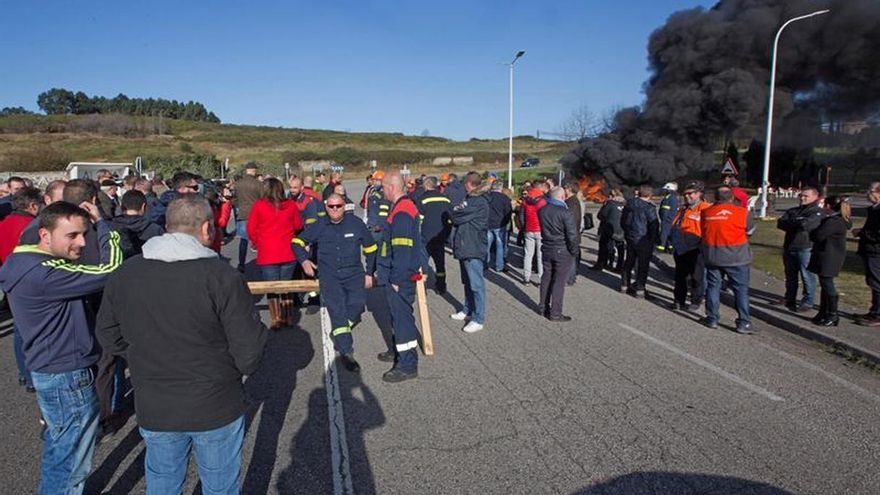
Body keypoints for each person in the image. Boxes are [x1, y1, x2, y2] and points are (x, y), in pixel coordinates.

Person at [96, 195, 267, 495]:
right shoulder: (222, 276)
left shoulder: (126, 273)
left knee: (163, 481)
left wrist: (143, 357)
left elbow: (109, 335)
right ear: (206, 229)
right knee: (220, 486)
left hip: (155, 401)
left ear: (167, 226)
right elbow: (249, 350)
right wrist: (226, 370)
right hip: (214, 401)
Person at [0, 201, 122, 494]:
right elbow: (111, 269)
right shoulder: (45, 274)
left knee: (60, 448)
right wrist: (104, 225)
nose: (81, 242)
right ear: (44, 235)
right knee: (72, 458)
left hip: (51, 368)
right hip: (67, 372)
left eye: (85, 233)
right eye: (73, 235)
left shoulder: (20, 260)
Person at [292, 193, 377, 372]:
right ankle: (347, 352)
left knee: (357, 306)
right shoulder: (319, 226)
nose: (335, 209)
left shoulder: (356, 224)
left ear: (344, 206)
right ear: (326, 207)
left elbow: (371, 248)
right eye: (331, 206)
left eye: (338, 206)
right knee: (337, 311)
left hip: (354, 274)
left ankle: (340, 330)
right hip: (330, 277)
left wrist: (369, 273)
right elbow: (297, 242)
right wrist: (304, 261)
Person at [375, 172, 423, 383]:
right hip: (396, 274)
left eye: (383, 187)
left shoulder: (402, 211)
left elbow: (402, 250)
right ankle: (398, 352)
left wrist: (396, 279)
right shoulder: (402, 208)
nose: (382, 191)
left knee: (403, 320)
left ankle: (407, 365)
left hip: (399, 278)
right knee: (398, 317)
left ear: (392, 187)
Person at [0, 187, 42, 392]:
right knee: (35, 333)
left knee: (19, 330)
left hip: (10, 281)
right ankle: (34, 376)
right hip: (33, 282)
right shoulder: (32, 226)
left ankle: (24, 374)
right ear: (33, 205)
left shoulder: (3, 225)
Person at [247, 177, 304, 329]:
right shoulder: (291, 205)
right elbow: (298, 225)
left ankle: (276, 318)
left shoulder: (259, 206)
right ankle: (289, 317)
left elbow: (251, 228)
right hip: (288, 251)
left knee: (272, 288)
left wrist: (258, 243)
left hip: (267, 253)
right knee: (286, 286)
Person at [701, 185, 755, 333]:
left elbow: (703, 231)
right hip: (737, 257)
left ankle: (712, 318)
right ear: (732, 198)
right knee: (741, 290)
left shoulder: (706, 212)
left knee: (713, 287)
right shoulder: (743, 213)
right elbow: (750, 231)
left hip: (713, 256)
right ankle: (743, 322)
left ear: (715, 198)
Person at [450, 172, 489, 333]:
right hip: (465, 246)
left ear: (469, 184)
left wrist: (457, 211)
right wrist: (457, 211)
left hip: (473, 247)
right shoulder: (470, 199)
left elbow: (457, 216)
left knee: (476, 284)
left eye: (465, 183)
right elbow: (456, 213)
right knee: (467, 282)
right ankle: (468, 309)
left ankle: (478, 318)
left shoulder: (478, 202)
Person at [777, 186, 824, 312]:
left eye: (806, 196)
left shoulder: (816, 212)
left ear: (815, 197)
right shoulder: (793, 211)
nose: (802, 198)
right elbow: (781, 223)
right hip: (789, 246)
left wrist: (794, 222)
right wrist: (796, 222)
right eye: (801, 195)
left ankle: (808, 301)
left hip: (805, 247)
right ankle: (789, 298)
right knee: (790, 275)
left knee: (807, 275)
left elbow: (806, 225)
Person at [808, 196, 851, 327]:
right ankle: (823, 312)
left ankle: (832, 314)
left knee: (828, 285)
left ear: (828, 206)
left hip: (829, 257)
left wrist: (815, 227)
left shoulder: (833, 221)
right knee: (824, 285)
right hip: (827, 255)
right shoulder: (835, 220)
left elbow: (818, 235)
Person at [538, 187, 579, 321]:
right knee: (559, 281)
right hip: (561, 249)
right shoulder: (565, 212)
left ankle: (543, 307)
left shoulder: (542, 210)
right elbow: (572, 235)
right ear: (561, 197)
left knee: (546, 277)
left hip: (547, 247)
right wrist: (574, 251)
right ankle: (555, 313)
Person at [670, 181, 711, 311]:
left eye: (690, 194)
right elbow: (674, 224)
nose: (687, 196)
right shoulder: (683, 209)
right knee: (680, 276)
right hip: (681, 247)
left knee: (697, 276)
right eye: (685, 194)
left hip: (697, 248)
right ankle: (678, 300)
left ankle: (696, 300)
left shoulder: (706, 208)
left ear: (699, 194)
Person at [621, 185, 659, 298]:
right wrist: (654, 239)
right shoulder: (649, 208)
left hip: (630, 237)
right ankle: (640, 290)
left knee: (629, 262)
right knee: (642, 265)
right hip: (644, 239)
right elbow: (654, 225)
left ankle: (624, 285)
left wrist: (627, 233)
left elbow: (623, 221)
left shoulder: (629, 204)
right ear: (650, 195)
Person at [417, 176, 452, 295]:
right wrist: (446, 234)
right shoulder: (446, 199)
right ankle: (441, 287)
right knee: (440, 265)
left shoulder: (422, 199)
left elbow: (419, 221)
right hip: (440, 237)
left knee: (423, 263)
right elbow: (450, 219)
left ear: (426, 185)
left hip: (425, 238)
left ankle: (422, 288)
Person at [107, 190, 165, 259]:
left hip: (122, 267)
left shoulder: (110, 228)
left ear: (122, 207)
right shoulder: (155, 229)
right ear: (143, 207)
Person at [856, 182, 880, 326]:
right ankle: (874, 310)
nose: (867, 194)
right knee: (871, 281)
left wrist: (862, 233)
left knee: (877, 282)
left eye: (870, 191)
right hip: (869, 250)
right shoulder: (873, 209)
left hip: (876, 251)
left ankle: (878, 314)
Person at [233, 163, 262, 272]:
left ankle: (241, 263)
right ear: (253, 170)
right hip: (256, 214)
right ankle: (261, 261)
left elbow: (234, 199)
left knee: (243, 240)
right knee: (259, 240)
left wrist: (238, 205)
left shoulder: (238, 184)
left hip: (243, 214)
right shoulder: (258, 184)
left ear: (246, 171)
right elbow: (263, 199)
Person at [592, 189, 626, 271]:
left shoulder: (610, 203)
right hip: (621, 229)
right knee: (620, 248)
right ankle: (619, 266)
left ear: (612, 195)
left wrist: (604, 206)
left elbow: (601, 215)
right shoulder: (625, 204)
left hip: (609, 228)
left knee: (604, 246)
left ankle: (602, 264)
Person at [519, 186, 547, 285]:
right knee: (540, 255)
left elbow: (521, 215)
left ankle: (526, 278)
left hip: (528, 230)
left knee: (528, 254)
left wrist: (523, 227)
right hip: (540, 230)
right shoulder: (542, 203)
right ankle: (541, 279)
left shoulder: (525, 202)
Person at [486, 180, 513, 273]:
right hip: (500, 225)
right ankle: (499, 266)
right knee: (500, 246)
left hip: (487, 225)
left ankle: (485, 264)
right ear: (500, 188)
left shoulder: (486, 197)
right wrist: (504, 223)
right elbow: (508, 213)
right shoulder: (504, 198)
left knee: (486, 246)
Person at [563, 181, 583, 285]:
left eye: (565, 188)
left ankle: (570, 279)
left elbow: (572, 220)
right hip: (572, 233)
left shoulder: (572, 203)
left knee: (571, 257)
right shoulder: (571, 201)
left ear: (570, 189)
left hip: (572, 234)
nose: (564, 190)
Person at [366, 171, 392, 244]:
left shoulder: (384, 195)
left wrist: (379, 226)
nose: (373, 183)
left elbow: (384, 213)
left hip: (378, 230)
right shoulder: (374, 192)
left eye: (375, 180)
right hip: (372, 227)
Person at [656, 182, 678, 251]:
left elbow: (669, 210)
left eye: (666, 190)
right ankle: (669, 246)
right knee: (668, 233)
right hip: (667, 219)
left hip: (667, 219)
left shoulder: (671, 198)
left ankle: (662, 246)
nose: (664, 191)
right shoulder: (669, 197)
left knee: (664, 232)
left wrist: (666, 219)